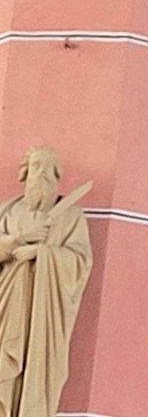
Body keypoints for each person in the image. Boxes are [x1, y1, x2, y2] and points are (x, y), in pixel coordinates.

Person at [0, 147, 92, 417]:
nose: (39, 173)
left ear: (56, 174)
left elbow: (79, 260)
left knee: (33, 365)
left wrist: (40, 253)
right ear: (24, 172)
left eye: (46, 167)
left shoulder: (70, 216)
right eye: (35, 166)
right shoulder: (7, 211)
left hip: (39, 314)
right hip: (5, 302)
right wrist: (17, 241)